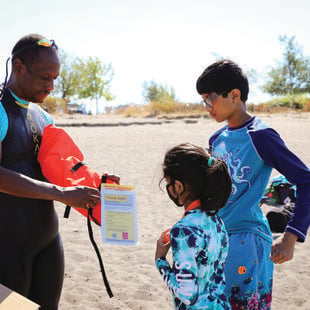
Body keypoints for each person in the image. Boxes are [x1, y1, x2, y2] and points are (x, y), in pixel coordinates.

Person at [196, 59, 310, 309]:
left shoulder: (261, 136)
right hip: (218, 239)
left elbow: (306, 180)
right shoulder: (216, 139)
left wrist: (291, 237)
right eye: (203, 100)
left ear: (234, 95)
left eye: (210, 98)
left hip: (249, 241)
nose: (207, 107)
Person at [0, 34, 100, 309]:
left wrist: (98, 188)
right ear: (18, 67)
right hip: (6, 246)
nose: (52, 86)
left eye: (55, 77)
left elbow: (62, 170)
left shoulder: (43, 117)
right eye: (45, 77)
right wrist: (64, 194)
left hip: (47, 242)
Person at [155, 143, 232, 309]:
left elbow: (187, 295)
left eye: (168, 184)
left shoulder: (183, 230)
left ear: (178, 187)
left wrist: (160, 261)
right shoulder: (217, 221)